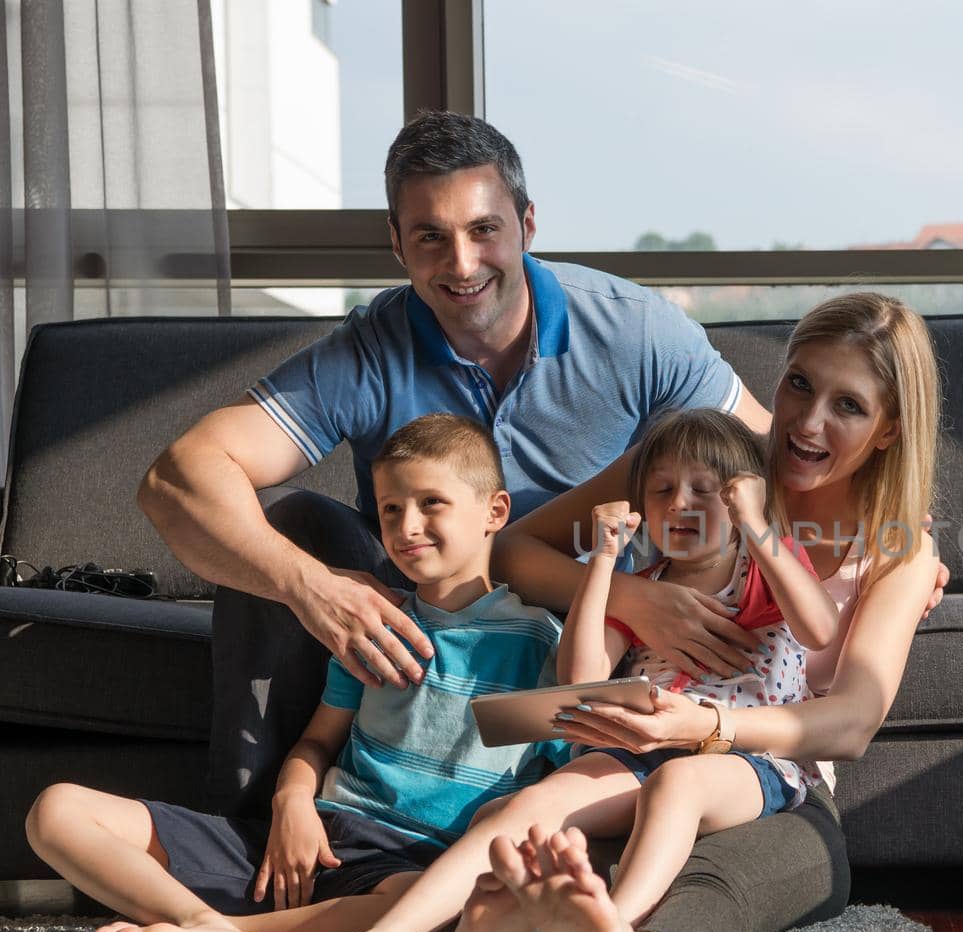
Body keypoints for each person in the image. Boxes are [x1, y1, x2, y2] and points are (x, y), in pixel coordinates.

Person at [138, 110, 773, 822]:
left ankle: (514, 841)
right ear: (397, 245)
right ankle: (256, 835)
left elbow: (770, 464)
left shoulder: (636, 330)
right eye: (431, 238)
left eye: (483, 230)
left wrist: (891, 555)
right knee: (292, 527)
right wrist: (309, 587)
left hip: (595, 642)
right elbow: (175, 479)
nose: (462, 264)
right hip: (428, 643)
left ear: (527, 225)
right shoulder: (369, 351)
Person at [433, 291, 944, 932]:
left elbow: (852, 722)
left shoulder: (899, 546)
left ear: (890, 429)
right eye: (799, 383)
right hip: (640, 758)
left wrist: (702, 727)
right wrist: (635, 600)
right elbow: (513, 547)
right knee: (559, 862)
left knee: (712, 889)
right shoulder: (700, 461)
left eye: (849, 407)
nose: (807, 421)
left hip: (777, 786)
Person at [285, 408, 838, 932]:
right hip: (638, 751)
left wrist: (759, 524)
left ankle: (614, 931)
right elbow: (581, 678)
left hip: (741, 757)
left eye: (706, 490)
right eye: (663, 490)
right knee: (520, 810)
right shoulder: (645, 588)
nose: (680, 504)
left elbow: (819, 627)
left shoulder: (763, 572)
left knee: (680, 784)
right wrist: (602, 562)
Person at [25, 415, 571, 932]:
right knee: (56, 812)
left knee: (447, 906)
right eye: (390, 508)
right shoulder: (373, 626)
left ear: (494, 512)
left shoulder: (540, 643)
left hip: (409, 871)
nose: (407, 526)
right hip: (308, 845)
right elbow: (316, 744)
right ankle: (201, 922)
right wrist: (292, 804)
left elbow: (558, 782)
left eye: (431, 503)